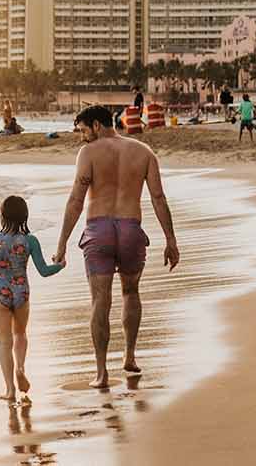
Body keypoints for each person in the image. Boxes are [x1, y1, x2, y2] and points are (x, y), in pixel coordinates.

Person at [52, 105, 180, 390]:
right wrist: (171, 240)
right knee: (131, 292)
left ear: (97, 125)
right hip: (130, 229)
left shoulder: (88, 153)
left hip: (99, 231)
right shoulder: (144, 152)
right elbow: (159, 198)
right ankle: (130, 357)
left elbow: (75, 200)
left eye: (84, 130)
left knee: (100, 301)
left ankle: (101, 373)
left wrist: (61, 244)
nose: (82, 138)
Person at [0, 195, 66, 401]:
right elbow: (43, 270)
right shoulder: (30, 240)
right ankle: (21, 368)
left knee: (4, 342)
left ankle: (10, 390)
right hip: (21, 293)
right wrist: (60, 265)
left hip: (0, 294)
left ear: (2, 216)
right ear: (25, 215)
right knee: (21, 334)